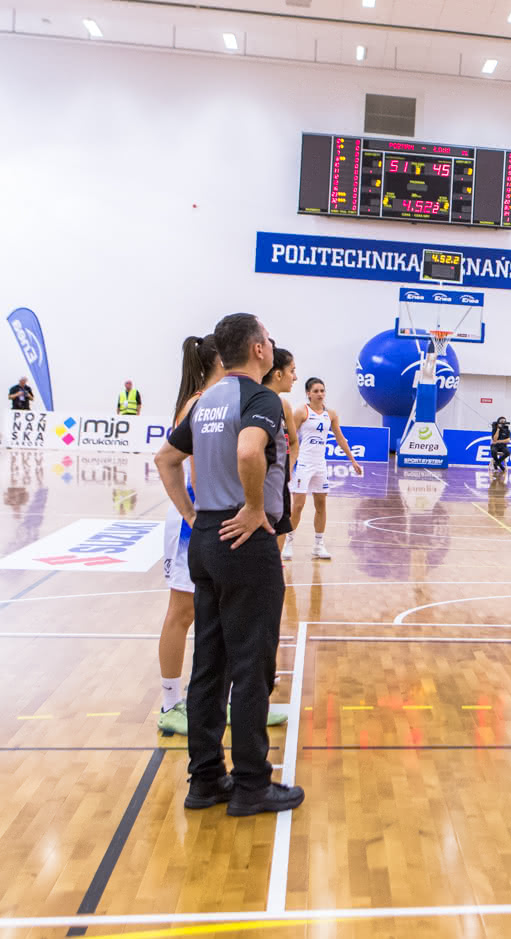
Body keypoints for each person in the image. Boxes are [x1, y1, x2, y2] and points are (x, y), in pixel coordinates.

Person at [154, 312, 303, 816]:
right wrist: (256, 507)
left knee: (210, 664)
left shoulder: (205, 400)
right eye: (269, 336)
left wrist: (192, 514)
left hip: (206, 541)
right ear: (258, 349)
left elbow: (165, 460)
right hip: (244, 541)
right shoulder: (258, 399)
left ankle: (205, 780)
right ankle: (252, 785)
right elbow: (248, 450)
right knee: (252, 666)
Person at [155, 335, 222, 737]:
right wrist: (189, 512)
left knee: (219, 612)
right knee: (182, 612)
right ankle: (169, 704)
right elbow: (180, 463)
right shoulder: (201, 401)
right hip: (192, 517)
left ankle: (220, 698)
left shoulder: (219, 397)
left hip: (209, 513)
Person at [284, 378, 362, 560]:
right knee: (298, 506)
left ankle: (318, 546)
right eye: (316, 391)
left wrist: (353, 460)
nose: (320, 394)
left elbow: (341, 439)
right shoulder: (301, 412)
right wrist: (288, 464)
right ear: (308, 393)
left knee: (321, 505)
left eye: (322, 390)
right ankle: (288, 542)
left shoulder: (331, 414)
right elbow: (290, 439)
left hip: (320, 465)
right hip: (303, 464)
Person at [263, 349, 299, 559]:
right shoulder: (252, 401)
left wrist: (287, 468)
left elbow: (293, 442)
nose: (295, 377)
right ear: (277, 374)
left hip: (279, 486)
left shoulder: (284, 405)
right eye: (292, 371)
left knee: (281, 528)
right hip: (256, 488)